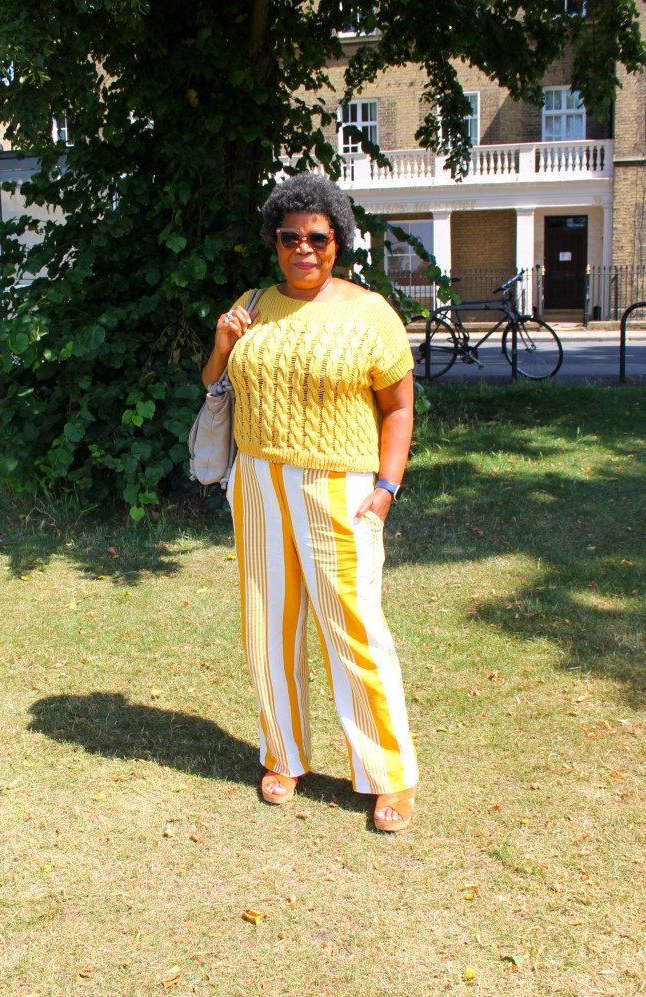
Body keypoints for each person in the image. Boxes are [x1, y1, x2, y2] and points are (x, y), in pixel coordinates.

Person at [201, 172, 418, 832]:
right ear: (275, 241)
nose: (303, 248)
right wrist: (223, 344)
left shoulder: (370, 313)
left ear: (337, 241)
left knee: (353, 627)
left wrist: (386, 488)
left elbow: (399, 408)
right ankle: (283, 753)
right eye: (289, 236)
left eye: (317, 238)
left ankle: (388, 775)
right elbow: (215, 384)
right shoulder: (251, 305)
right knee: (267, 625)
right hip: (258, 481)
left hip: (340, 487)